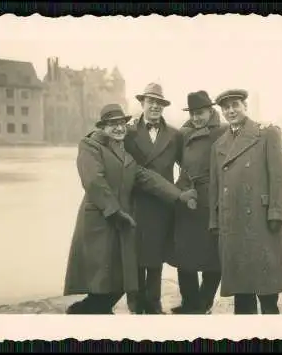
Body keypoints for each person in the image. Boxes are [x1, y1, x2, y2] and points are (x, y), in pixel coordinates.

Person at [63, 103, 197, 315]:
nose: (118, 128)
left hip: (118, 219)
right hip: (100, 218)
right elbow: (93, 182)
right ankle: (87, 310)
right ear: (102, 127)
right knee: (102, 273)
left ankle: (94, 309)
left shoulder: (123, 153)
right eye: (112, 124)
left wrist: (179, 195)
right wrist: (115, 211)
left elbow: (148, 178)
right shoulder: (90, 146)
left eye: (121, 124)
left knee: (117, 274)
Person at [208, 89, 282, 315]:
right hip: (232, 222)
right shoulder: (219, 145)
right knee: (241, 293)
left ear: (245, 106)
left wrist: (277, 213)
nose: (231, 111)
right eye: (226, 107)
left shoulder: (266, 134)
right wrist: (215, 221)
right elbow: (215, 187)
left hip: (262, 220)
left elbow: (280, 177)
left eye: (235, 105)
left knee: (267, 291)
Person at [124, 83, 184, 314]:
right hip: (135, 201)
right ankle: (135, 302)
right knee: (136, 253)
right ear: (142, 104)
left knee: (155, 254)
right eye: (151, 102)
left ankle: (154, 300)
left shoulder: (174, 134)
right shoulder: (127, 132)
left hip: (161, 204)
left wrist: (177, 191)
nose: (155, 106)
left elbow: (187, 165)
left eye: (159, 103)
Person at [169, 91, 229, 314]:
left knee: (212, 254)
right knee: (184, 253)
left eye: (200, 113)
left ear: (211, 111)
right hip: (186, 197)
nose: (196, 118)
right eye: (193, 113)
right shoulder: (183, 134)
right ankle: (189, 302)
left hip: (211, 197)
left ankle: (204, 302)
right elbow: (174, 155)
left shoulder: (222, 131)